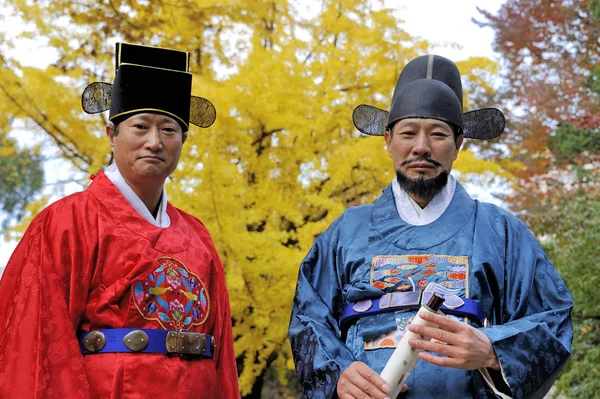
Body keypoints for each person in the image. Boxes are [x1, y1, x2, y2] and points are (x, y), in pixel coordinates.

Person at [288, 55, 573, 399]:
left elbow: (553, 318)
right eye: (408, 133)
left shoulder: (500, 231)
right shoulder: (347, 231)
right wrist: (338, 372)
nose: (421, 147)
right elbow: (309, 317)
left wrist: (492, 348)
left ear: (458, 144)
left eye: (437, 134)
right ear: (388, 141)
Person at [0, 42, 240, 398]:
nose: (155, 142)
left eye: (170, 130)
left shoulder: (197, 236)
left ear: (183, 142)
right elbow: (38, 344)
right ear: (112, 136)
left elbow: (222, 359)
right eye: (140, 126)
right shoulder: (66, 222)